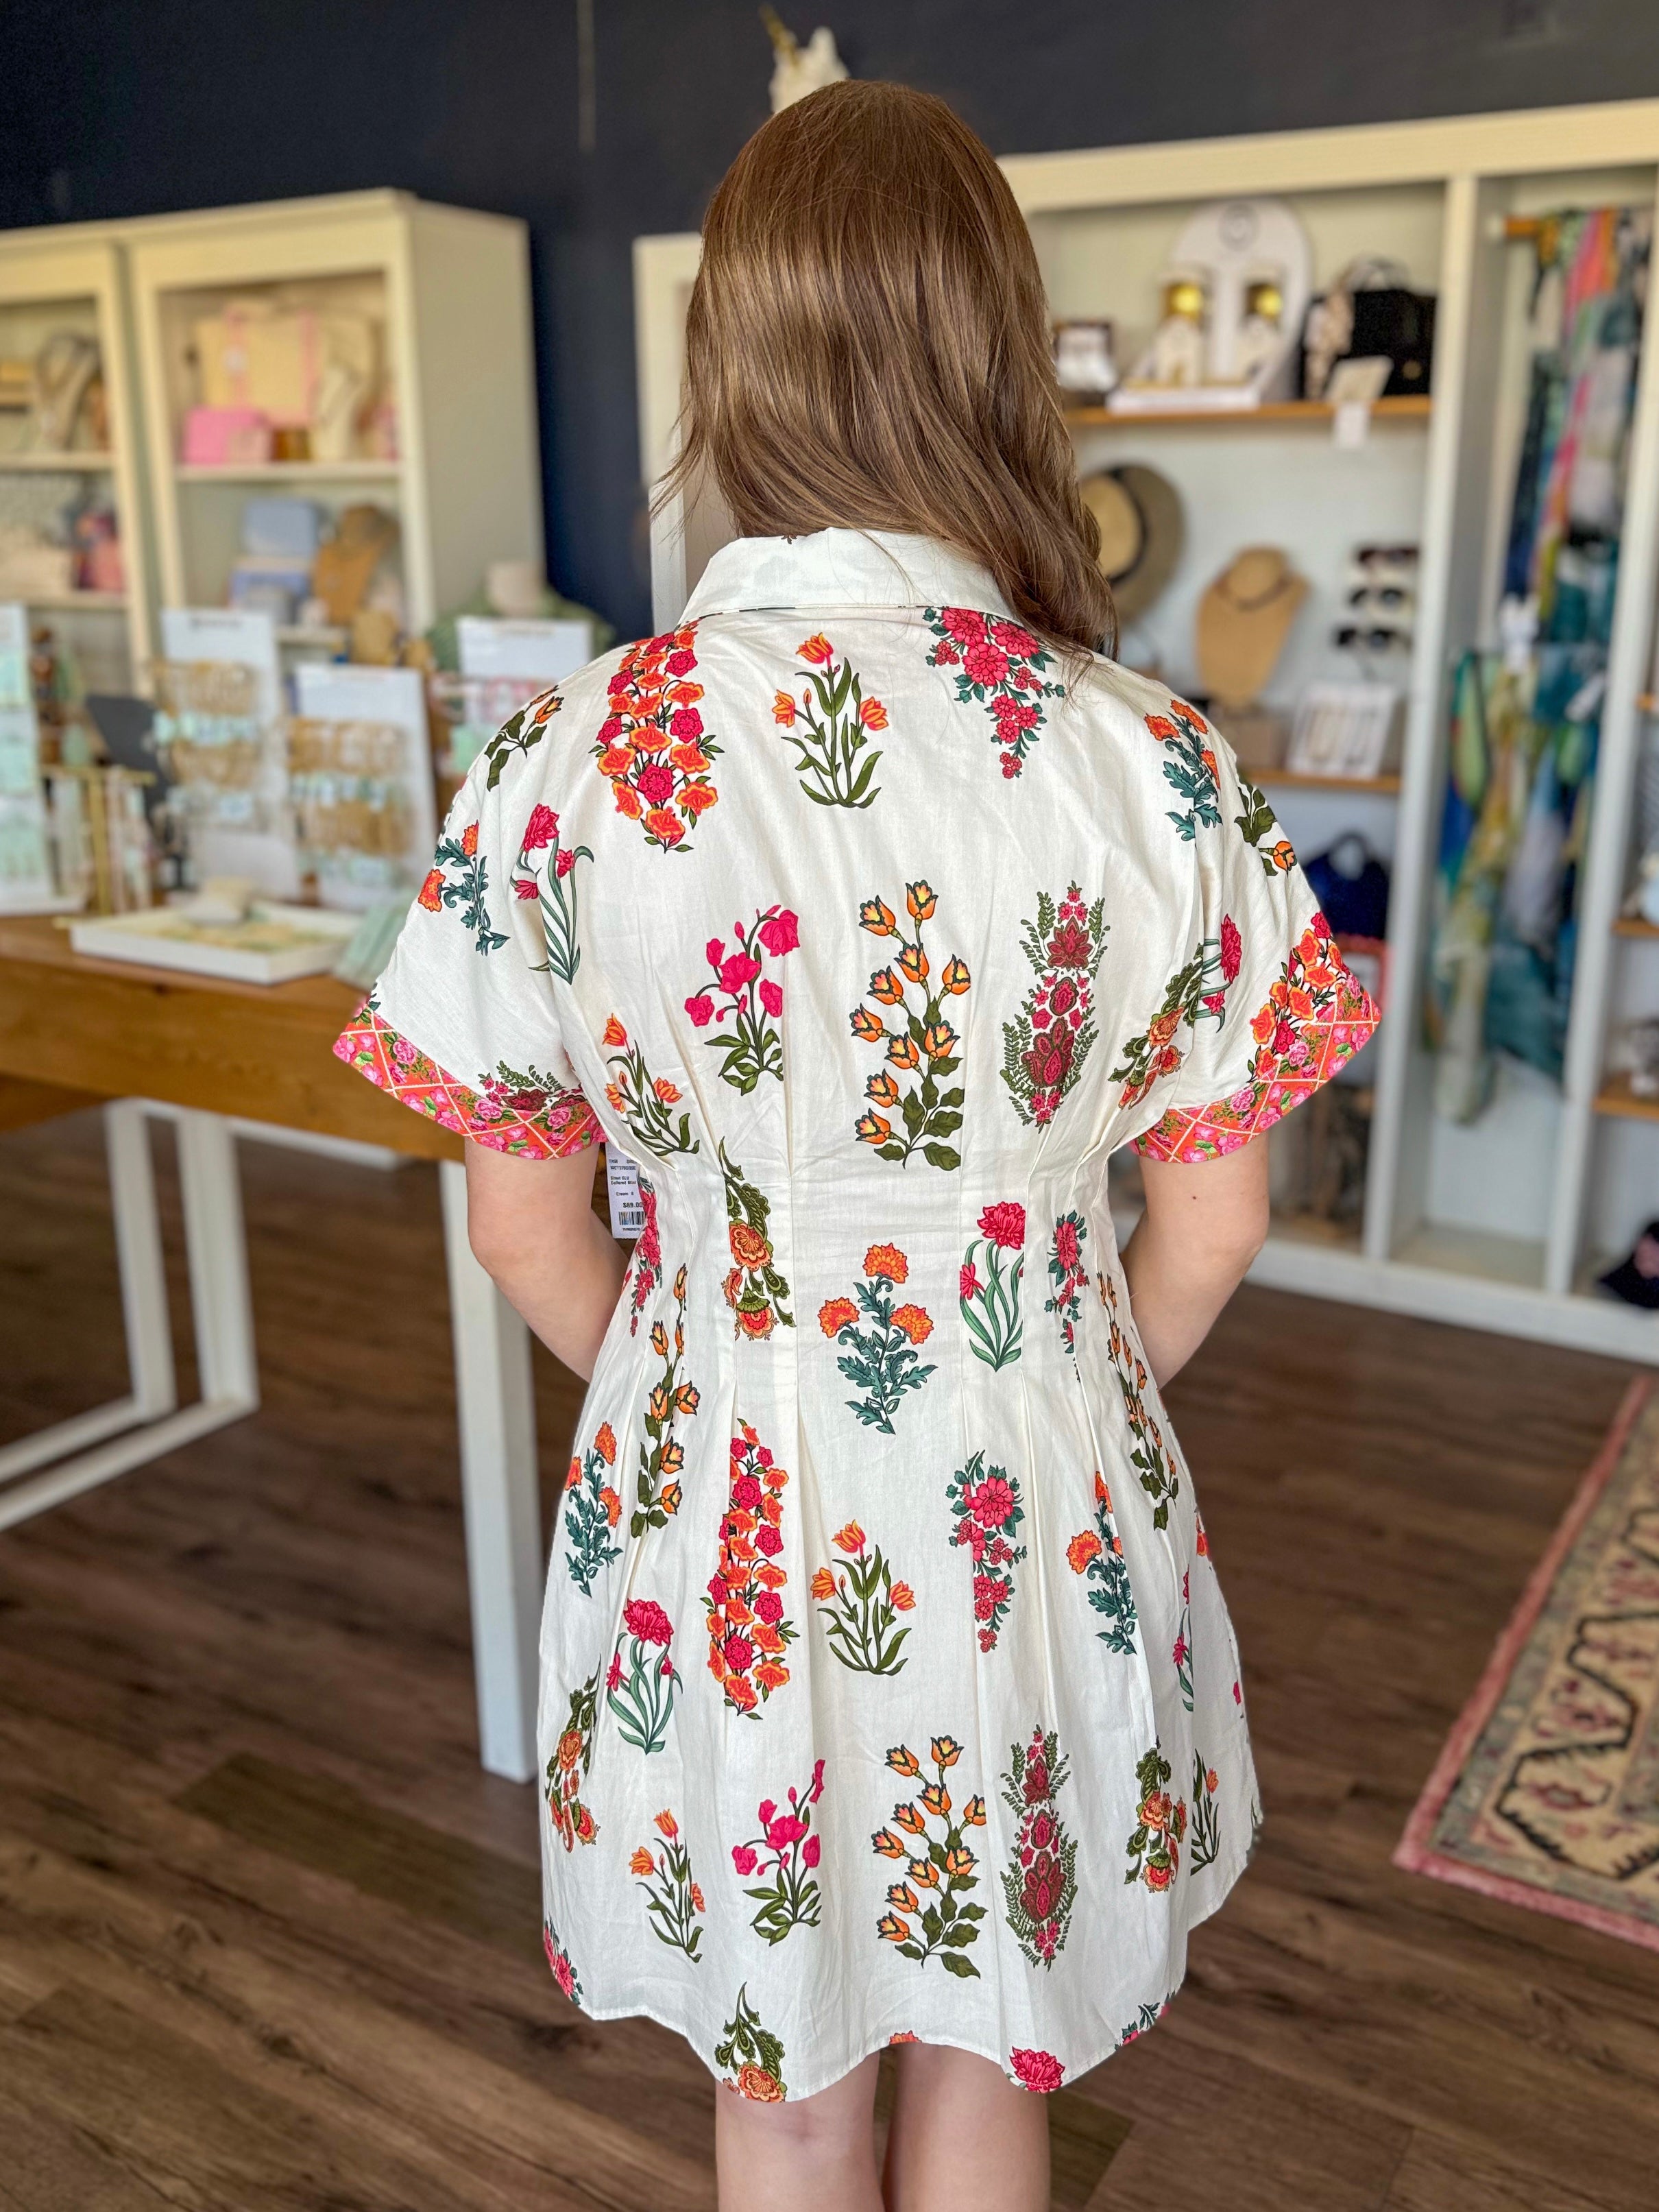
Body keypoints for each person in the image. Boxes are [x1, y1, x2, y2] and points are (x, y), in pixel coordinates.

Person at [335, 77, 1380, 2212]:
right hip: (1033, 1479)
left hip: (709, 1482)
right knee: (989, 2037)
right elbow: (1218, 1212)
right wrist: (1048, 1378)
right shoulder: (1150, 767)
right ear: (998, 358)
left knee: (779, 2071)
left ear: (729, 363)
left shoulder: (561, 764)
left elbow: (525, 1234)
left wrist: (709, 1382)